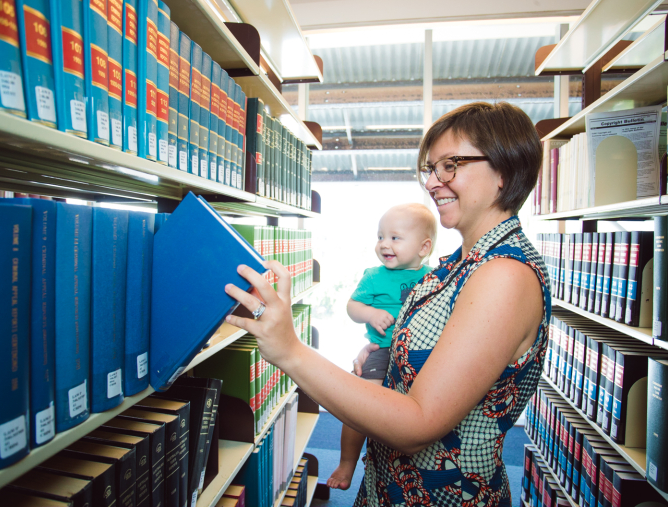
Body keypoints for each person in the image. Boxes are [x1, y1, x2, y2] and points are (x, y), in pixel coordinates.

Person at [225, 101, 550, 506]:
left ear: (504, 170)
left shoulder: (504, 274)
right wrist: (395, 354)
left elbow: (418, 424)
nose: (433, 182)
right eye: (430, 169)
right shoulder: (458, 263)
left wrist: (290, 350)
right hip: (389, 485)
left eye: (451, 165)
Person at [327, 203, 436, 491]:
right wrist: (371, 315)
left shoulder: (433, 276)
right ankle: (348, 462)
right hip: (382, 351)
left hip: (422, 353)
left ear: (423, 247)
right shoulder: (374, 276)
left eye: (395, 238)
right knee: (361, 404)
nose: (384, 244)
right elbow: (352, 307)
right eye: (380, 237)